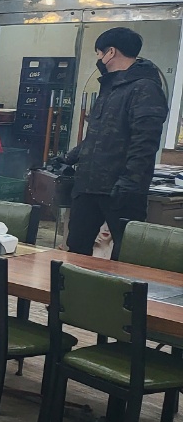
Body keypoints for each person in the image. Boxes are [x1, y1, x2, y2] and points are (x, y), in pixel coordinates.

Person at [63, 27, 168, 259]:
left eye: (99, 53)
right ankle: (75, 284)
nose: (99, 59)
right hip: (89, 185)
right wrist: (69, 157)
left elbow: (145, 142)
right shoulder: (110, 86)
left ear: (111, 52)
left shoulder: (145, 88)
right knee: (76, 249)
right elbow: (98, 135)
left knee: (126, 253)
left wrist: (130, 182)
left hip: (120, 189)